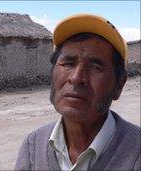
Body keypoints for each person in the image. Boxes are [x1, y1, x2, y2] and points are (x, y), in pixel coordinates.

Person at [15, 14, 140, 171]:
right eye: (68, 63)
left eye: (95, 67)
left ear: (119, 85)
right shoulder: (32, 147)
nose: (76, 78)